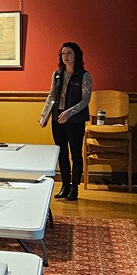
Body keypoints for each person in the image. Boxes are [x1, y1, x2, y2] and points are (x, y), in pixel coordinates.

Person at [39, 42, 92, 201]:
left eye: (69, 53)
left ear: (76, 55)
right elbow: (52, 95)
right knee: (61, 153)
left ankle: (74, 188)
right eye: (63, 54)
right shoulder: (57, 74)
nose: (66, 57)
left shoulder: (84, 75)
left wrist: (69, 113)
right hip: (58, 119)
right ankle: (65, 185)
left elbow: (86, 100)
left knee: (75, 153)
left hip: (75, 120)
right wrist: (44, 115)